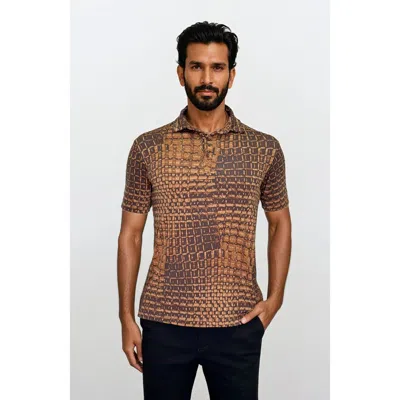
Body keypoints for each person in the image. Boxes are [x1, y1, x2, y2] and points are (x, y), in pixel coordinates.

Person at [117, 21, 292, 400]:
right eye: (196, 66)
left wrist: (275, 299)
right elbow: (131, 233)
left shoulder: (264, 148)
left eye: (217, 67)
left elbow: (279, 223)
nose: (207, 78)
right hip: (163, 319)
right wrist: (126, 317)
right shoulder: (148, 147)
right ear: (181, 73)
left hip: (238, 320)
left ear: (231, 75)